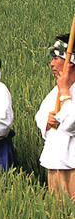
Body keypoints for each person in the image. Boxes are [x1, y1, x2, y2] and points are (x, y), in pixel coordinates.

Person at [35, 33, 75, 200]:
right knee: (57, 215)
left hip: (72, 164)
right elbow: (40, 115)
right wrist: (47, 121)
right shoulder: (55, 90)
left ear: (70, 62)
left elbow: (72, 123)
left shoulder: (64, 89)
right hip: (54, 161)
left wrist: (66, 93)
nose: (51, 63)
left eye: (56, 58)